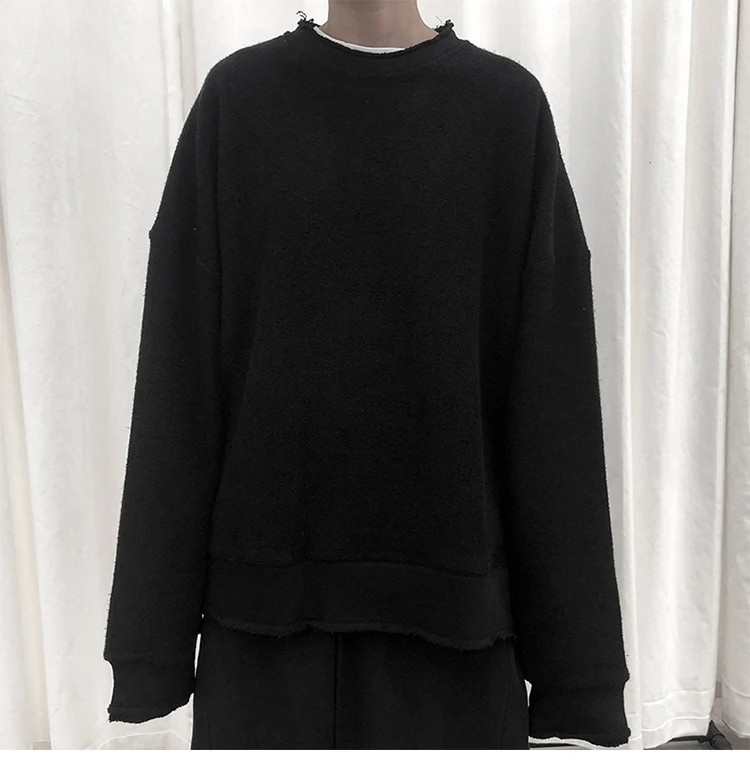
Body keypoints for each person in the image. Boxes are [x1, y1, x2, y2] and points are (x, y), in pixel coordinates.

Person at [103, 1, 631, 749]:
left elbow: (552, 394)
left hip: (455, 644)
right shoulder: (239, 102)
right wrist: (148, 648)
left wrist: (580, 674)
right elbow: (177, 381)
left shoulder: (505, 109)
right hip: (264, 643)